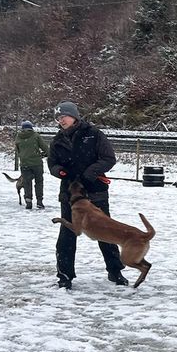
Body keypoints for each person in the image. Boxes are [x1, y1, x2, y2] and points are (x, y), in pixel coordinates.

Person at [47, 101, 128, 289]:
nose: (61, 121)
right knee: (67, 235)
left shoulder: (93, 134)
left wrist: (89, 174)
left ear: (74, 116)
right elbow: (51, 163)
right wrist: (58, 171)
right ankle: (64, 275)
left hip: (95, 192)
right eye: (58, 118)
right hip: (70, 195)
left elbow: (108, 159)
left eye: (63, 116)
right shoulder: (57, 140)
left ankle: (115, 271)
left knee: (106, 232)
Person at [14, 120, 49, 210]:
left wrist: (23, 157)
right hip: (36, 163)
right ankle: (39, 201)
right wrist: (47, 154)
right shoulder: (35, 136)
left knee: (27, 182)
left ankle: (28, 201)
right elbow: (45, 147)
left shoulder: (18, 137)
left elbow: (17, 151)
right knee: (39, 182)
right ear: (31, 127)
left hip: (24, 164)